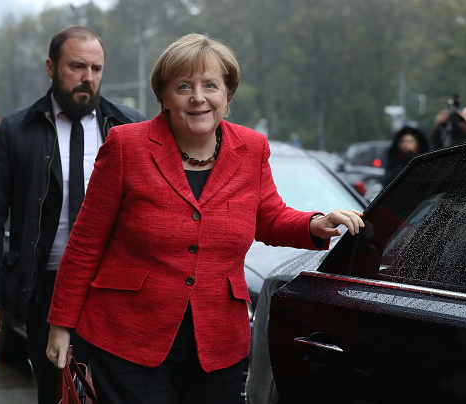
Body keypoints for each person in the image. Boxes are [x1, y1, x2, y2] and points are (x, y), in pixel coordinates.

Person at [46, 33, 364, 404]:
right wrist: (61, 325)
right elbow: (86, 243)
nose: (198, 97)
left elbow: (269, 216)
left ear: (227, 96)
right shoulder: (125, 146)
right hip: (128, 338)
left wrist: (315, 224)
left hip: (218, 343)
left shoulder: (252, 148)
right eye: (184, 86)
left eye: (210, 85)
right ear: (164, 97)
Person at [0, 25, 144, 404]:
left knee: (117, 393)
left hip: (114, 288)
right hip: (45, 287)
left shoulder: (129, 126)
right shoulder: (17, 130)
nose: (88, 78)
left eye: (96, 69)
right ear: (51, 67)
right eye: (77, 66)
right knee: (56, 391)